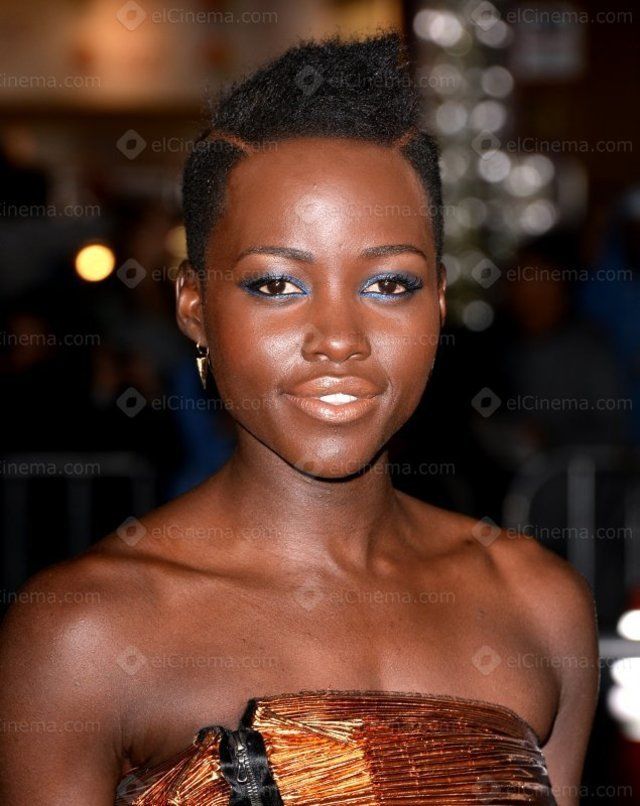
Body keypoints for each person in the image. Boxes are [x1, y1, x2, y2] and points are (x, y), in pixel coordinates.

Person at [0, 32, 599, 805]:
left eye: (388, 284)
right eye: (277, 285)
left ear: (439, 302)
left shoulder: (539, 605)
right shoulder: (85, 633)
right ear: (194, 305)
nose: (339, 339)